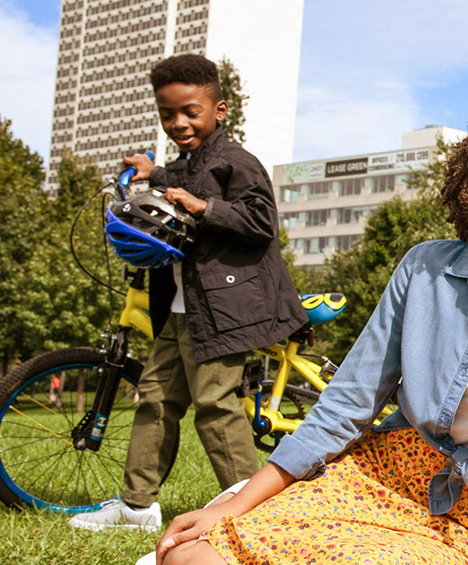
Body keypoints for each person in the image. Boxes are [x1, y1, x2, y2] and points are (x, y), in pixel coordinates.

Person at [151, 101, 468, 565]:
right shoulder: (424, 265)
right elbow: (347, 402)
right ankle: (254, 523)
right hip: (381, 471)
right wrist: (235, 508)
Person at [69, 54, 307, 532]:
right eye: (167, 114)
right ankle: (137, 507)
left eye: (190, 112)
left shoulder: (236, 162)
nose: (178, 123)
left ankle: (253, 516)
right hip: (184, 309)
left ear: (219, 109)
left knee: (215, 407)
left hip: (226, 311)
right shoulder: (188, 164)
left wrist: (203, 207)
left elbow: (260, 222)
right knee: (155, 399)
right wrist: (150, 172)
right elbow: (179, 181)